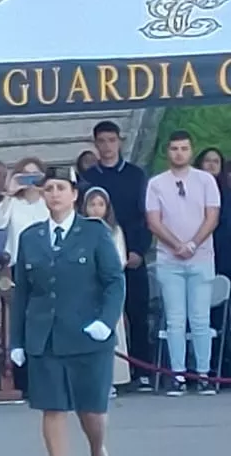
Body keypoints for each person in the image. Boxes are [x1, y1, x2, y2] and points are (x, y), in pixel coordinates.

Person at [9, 170, 124, 456]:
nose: (54, 194)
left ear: (74, 194)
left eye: (61, 188)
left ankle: (97, 449)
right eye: (48, 189)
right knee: (52, 408)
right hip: (45, 336)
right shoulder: (31, 238)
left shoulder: (93, 232)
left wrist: (106, 321)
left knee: (92, 411)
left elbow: (114, 281)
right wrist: (17, 340)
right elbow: (23, 293)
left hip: (87, 334)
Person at [147, 131, 222, 395]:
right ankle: (177, 375)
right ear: (168, 151)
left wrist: (192, 243)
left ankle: (203, 374)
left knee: (201, 319)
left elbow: (212, 216)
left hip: (201, 258)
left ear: (191, 151)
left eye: (184, 148)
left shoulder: (205, 181)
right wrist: (176, 244)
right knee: (176, 320)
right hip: (169, 260)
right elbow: (154, 221)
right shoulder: (156, 183)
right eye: (174, 148)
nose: (179, 153)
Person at [82, 122, 154, 388]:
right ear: (95, 144)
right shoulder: (89, 177)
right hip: (98, 259)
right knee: (104, 314)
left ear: (120, 142)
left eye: (112, 140)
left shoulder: (136, 175)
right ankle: (109, 373)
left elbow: (146, 216)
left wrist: (138, 250)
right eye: (102, 141)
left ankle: (142, 370)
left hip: (132, 253)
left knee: (137, 312)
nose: (107, 146)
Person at [80, 187, 131, 390]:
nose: (96, 209)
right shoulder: (79, 229)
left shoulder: (114, 230)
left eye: (101, 204)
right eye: (92, 204)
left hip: (108, 287)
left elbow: (120, 259)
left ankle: (111, 380)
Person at [0, 157, 51, 267]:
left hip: (45, 262)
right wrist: (10, 192)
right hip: (17, 263)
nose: (31, 179)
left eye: (35, 175)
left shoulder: (49, 202)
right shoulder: (13, 202)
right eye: (26, 175)